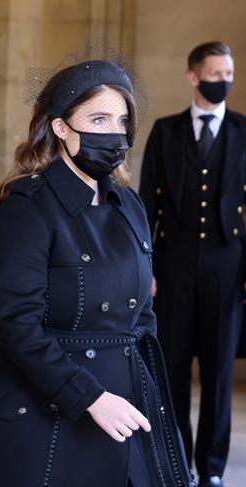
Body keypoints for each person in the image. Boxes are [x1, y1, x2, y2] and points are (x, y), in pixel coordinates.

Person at [0, 60, 195, 487]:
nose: (114, 133)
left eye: (121, 120)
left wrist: (147, 397)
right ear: (61, 127)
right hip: (50, 406)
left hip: (127, 403)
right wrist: (90, 396)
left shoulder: (129, 205)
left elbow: (143, 317)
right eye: (98, 119)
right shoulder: (26, 208)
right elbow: (18, 326)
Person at [139, 41, 246, 487]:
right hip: (173, 265)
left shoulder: (244, 131)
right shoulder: (165, 132)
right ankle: (176, 460)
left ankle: (214, 470)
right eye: (216, 74)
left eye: (228, 75)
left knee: (220, 371)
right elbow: (145, 206)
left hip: (227, 265)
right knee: (174, 368)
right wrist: (145, 271)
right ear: (193, 76)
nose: (224, 82)